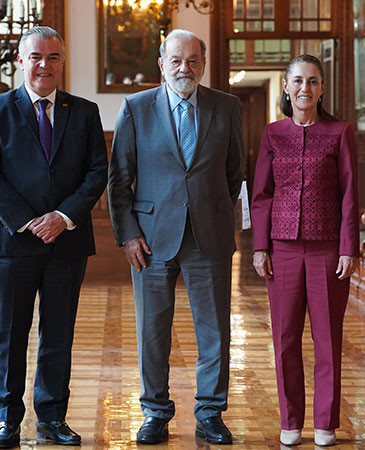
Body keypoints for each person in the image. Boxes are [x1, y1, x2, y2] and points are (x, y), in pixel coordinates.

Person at [0, 26, 108, 448]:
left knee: (58, 334)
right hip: (12, 243)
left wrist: (62, 216)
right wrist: (31, 221)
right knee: (9, 335)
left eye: (52, 57)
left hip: (66, 241)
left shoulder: (84, 112)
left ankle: (52, 419)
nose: (44, 65)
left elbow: (97, 172)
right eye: (36, 57)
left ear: (62, 62)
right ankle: (6, 420)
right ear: (20, 61)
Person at [108, 29, 245, 445]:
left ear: (202, 64)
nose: (184, 68)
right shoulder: (135, 107)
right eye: (176, 60)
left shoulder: (227, 106)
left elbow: (234, 170)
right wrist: (128, 234)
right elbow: (119, 180)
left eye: (193, 60)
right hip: (150, 239)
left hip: (210, 236)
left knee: (215, 331)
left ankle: (210, 413)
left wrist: (214, 210)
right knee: (152, 332)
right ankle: (154, 412)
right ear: (162, 65)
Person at [250, 54, 359, 447]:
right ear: (286, 86)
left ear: (322, 87)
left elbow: (349, 194)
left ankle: (326, 424)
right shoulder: (272, 133)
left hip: (329, 250)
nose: (305, 89)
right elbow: (261, 195)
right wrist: (260, 246)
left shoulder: (340, 131)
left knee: (328, 339)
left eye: (313, 81)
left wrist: (350, 248)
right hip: (281, 250)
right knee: (285, 339)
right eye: (297, 81)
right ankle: (291, 421)